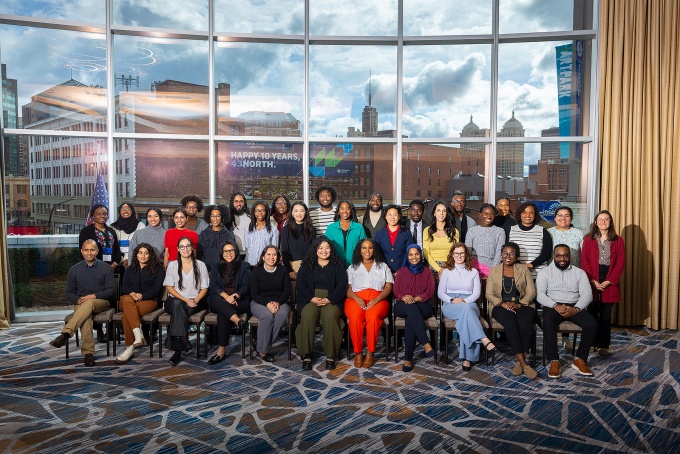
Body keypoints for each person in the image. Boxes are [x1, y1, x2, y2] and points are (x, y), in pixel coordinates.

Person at [49, 239, 115, 367]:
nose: (89, 253)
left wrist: (94, 295)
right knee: (86, 318)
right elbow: (69, 292)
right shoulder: (74, 270)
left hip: (101, 302)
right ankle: (88, 354)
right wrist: (76, 300)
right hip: (81, 303)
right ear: (81, 251)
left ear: (97, 251)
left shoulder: (106, 268)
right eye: (86, 250)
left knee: (89, 303)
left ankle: (66, 333)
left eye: (92, 250)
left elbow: (111, 291)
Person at [536, 244, 597, 378]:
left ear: (570, 256)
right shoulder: (545, 272)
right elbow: (539, 295)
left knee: (592, 324)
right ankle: (554, 360)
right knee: (547, 321)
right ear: (554, 256)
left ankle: (580, 359)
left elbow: (587, 295)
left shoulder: (579, 273)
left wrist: (576, 309)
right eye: (558, 255)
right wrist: (554, 305)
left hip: (574, 305)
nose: (562, 258)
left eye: (565, 255)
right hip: (553, 306)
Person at [438, 243, 495, 371]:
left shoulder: (473, 272)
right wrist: (452, 299)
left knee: (465, 315)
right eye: (456, 253)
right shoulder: (446, 272)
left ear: (466, 255)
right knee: (466, 314)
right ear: (452, 255)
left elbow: (476, 293)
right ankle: (482, 340)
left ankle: (467, 358)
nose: (459, 256)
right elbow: (440, 293)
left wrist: (465, 301)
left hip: (470, 303)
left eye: (462, 253)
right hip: (450, 305)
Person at [486, 242, 538, 379]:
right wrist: (501, 303)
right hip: (500, 305)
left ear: (516, 256)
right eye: (505, 253)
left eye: (512, 253)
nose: (508, 256)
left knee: (525, 322)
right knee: (510, 323)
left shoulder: (523, 269)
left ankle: (521, 361)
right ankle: (523, 363)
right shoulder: (494, 270)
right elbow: (489, 294)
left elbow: (531, 291)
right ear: (501, 255)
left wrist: (520, 304)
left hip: (522, 304)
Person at [296, 236, 348, 371]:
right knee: (307, 315)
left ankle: (331, 355)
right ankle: (306, 354)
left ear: (331, 249)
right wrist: (312, 298)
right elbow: (300, 286)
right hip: (310, 299)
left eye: (327, 248)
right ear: (315, 249)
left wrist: (330, 299)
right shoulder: (307, 265)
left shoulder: (339, 266)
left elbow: (342, 287)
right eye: (320, 248)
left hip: (332, 300)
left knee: (330, 317)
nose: (324, 251)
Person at [581, 210, 625, 356]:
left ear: (610, 222)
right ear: (595, 222)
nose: (603, 222)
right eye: (600, 219)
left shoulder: (618, 240)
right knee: (592, 313)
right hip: (592, 276)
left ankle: (603, 345)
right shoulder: (588, 239)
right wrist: (592, 280)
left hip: (609, 276)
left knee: (605, 315)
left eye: (606, 219)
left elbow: (620, 263)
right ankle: (592, 343)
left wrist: (609, 281)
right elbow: (584, 260)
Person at [345, 239, 393, 369]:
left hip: (379, 299)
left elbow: (388, 287)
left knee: (372, 317)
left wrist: (376, 299)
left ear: (374, 250)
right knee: (355, 318)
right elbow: (348, 289)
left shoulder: (383, 266)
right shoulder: (352, 267)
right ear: (359, 250)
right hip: (356, 298)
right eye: (364, 248)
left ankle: (370, 353)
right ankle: (358, 353)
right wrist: (356, 298)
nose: (367, 250)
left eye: (370, 247)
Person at [115, 243, 165, 364]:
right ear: (136, 254)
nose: (143, 256)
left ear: (150, 255)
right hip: (129, 300)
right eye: (140, 252)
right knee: (126, 299)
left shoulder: (158, 270)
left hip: (149, 301)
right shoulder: (129, 269)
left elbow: (156, 289)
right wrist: (132, 294)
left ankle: (129, 348)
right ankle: (138, 334)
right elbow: (125, 287)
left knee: (126, 315)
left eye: (146, 253)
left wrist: (142, 296)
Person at [163, 236, 209, 366]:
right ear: (178, 249)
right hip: (174, 300)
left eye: (188, 246)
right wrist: (185, 299)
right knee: (178, 304)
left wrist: (195, 300)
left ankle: (177, 350)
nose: (185, 249)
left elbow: (204, 288)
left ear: (192, 248)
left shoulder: (200, 265)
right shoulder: (172, 265)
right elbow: (170, 288)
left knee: (180, 311)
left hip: (195, 301)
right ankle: (184, 340)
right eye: (182, 246)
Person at [79, 204, 120, 343]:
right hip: (95, 271)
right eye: (98, 214)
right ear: (93, 215)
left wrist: (114, 264)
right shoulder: (86, 232)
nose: (102, 216)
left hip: (112, 270)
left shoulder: (111, 231)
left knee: (112, 298)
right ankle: (100, 331)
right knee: (95, 298)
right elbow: (85, 252)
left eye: (104, 214)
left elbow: (117, 251)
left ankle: (110, 330)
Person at [393, 244, 436, 372]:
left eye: (416, 254)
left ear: (420, 255)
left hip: (423, 305)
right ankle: (426, 343)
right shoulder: (401, 272)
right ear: (407, 256)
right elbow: (396, 291)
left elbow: (430, 292)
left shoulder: (427, 272)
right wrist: (405, 297)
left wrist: (415, 299)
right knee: (410, 309)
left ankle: (408, 359)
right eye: (410, 254)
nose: (414, 257)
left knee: (411, 318)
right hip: (403, 304)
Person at [206, 240, 251, 365]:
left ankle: (221, 351)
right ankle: (238, 322)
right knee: (213, 298)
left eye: (231, 251)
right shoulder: (216, 265)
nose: (229, 254)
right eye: (226, 251)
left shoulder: (244, 266)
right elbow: (213, 285)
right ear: (222, 253)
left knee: (223, 313)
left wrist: (234, 297)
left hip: (239, 301)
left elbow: (245, 287)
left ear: (236, 252)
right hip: (221, 299)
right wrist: (227, 297)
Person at [547, 205, 585, 350]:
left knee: (570, 303)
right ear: (555, 217)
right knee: (554, 305)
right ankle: (553, 336)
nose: (563, 218)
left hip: (573, 274)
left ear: (571, 218)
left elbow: (583, 254)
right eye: (560, 215)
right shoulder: (548, 233)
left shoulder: (578, 233)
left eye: (567, 215)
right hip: (553, 274)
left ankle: (566, 337)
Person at [249, 245, 291, 362]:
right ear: (263, 257)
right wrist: (267, 303)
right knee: (267, 316)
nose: (271, 257)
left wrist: (277, 302)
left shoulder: (282, 270)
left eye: (274, 255)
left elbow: (287, 290)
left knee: (282, 316)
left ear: (278, 257)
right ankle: (263, 351)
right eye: (268, 254)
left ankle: (260, 344)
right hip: (259, 302)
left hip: (280, 301)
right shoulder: (256, 271)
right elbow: (254, 294)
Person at [507, 201, 553, 279]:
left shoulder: (543, 231)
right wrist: (519, 266)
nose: (527, 215)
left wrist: (532, 265)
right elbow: (506, 252)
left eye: (531, 212)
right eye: (524, 212)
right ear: (520, 214)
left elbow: (547, 253)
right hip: (515, 275)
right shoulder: (510, 230)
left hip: (538, 276)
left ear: (535, 215)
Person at [465, 203, 505, 279]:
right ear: (480, 214)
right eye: (486, 214)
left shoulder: (500, 231)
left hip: (492, 268)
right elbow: (467, 251)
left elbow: (499, 252)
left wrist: (493, 270)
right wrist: (470, 269)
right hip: (474, 267)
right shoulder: (472, 231)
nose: (489, 217)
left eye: (492, 214)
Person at [280, 201, 317, 281]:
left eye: (302, 211)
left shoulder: (312, 229)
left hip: (307, 266)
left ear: (306, 213)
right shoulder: (286, 229)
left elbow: (313, 251)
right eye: (296, 211)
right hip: (291, 266)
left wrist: (307, 265)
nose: (299, 214)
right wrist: (289, 270)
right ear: (292, 213)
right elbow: (284, 251)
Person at [325, 199, 367, 267]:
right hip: (335, 266)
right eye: (342, 208)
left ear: (351, 211)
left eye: (347, 209)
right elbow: (326, 247)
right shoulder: (331, 228)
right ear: (338, 211)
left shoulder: (359, 228)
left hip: (355, 265)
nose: (345, 211)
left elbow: (364, 247)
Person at [423, 201, 459, 278]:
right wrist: (439, 269)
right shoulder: (427, 230)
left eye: (444, 211)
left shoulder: (454, 231)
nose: (441, 213)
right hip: (431, 265)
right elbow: (426, 253)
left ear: (447, 213)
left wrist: (446, 268)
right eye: (438, 210)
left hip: (449, 265)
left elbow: (456, 253)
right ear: (434, 213)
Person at [374, 204, 412, 274]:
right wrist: (384, 270)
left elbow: (409, 253)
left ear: (399, 216)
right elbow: (376, 254)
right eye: (390, 215)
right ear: (385, 216)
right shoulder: (379, 233)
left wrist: (402, 270)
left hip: (402, 271)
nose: (392, 217)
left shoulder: (406, 232)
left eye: (395, 215)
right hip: (383, 271)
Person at [197, 204, 234, 270]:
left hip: (224, 270)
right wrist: (206, 269)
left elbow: (231, 254)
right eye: (212, 216)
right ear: (209, 217)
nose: (215, 219)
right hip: (206, 270)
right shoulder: (203, 234)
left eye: (218, 216)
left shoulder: (228, 235)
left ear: (222, 217)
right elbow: (199, 254)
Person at [110, 202, 145, 272]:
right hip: (116, 263)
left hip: (135, 263)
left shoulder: (140, 226)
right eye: (123, 209)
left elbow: (143, 246)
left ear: (132, 211)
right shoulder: (112, 227)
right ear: (119, 211)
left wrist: (130, 260)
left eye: (128, 209)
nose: (125, 211)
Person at [244, 201, 279, 266]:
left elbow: (274, 250)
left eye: (263, 210)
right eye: (257, 211)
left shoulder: (273, 230)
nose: (260, 213)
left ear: (266, 212)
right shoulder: (247, 228)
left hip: (265, 265)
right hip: (249, 263)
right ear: (253, 212)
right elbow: (247, 247)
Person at [228, 192, 250, 260]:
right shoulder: (227, 219)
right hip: (232, 255)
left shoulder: (250, 218)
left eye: (241, 201)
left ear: (244, 203)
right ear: (232, 203)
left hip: (247, 254)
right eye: (236, 201)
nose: (238, 204)